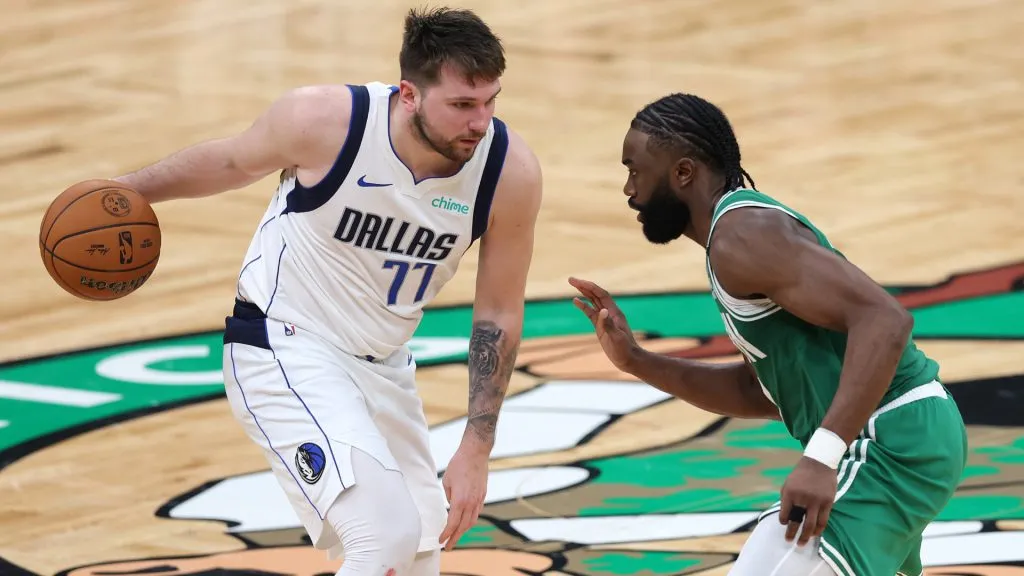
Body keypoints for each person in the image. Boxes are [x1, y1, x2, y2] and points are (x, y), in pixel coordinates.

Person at [110, 7, 542, 576]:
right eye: (463, 105)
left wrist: (476, 448)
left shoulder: (508, 172)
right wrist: (124, 191)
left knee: (417, 552)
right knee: (382, 535)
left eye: (490, 102)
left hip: (384, 366)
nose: (480, 122)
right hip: (285, 343)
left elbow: (498, 314)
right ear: (409, 95)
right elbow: (232, 162)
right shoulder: (325, 122)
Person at [569, 93, 967, 576]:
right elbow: (763, 390)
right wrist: (636, 360)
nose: (629, 189)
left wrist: (821, 457)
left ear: (683, 173)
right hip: (900, 435)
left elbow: (885, 321)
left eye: (635, 170)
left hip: (889, 439)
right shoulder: (735, 238)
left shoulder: (743, 236)